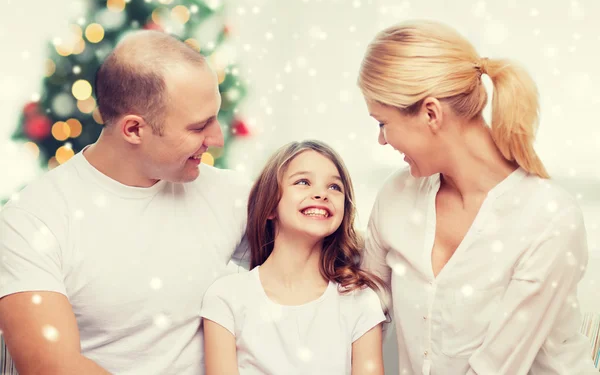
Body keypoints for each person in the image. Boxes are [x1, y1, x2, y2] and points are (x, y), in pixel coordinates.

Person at [0, 31, 249, 375]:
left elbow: (332, 261)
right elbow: (51, 366)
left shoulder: (231, 194)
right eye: (199, 126)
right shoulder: (32, 220)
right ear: (133, 130)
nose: (217, 138)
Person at [358, 20, 596, 375]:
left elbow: (496, 367)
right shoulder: (396, 196)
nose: (382, 140)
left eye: (382, 123)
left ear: (430, 113)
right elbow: (363, 311)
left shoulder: (549, 218)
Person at [201, 140, 387, 375]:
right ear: (269, 207)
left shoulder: (360, 300)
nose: (321, 194)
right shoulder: (226, 298)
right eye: (303, 182)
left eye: (335, 187)